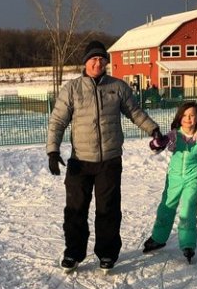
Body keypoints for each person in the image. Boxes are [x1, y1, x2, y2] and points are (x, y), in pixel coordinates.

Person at [46, 40, 166, 272]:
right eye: (93, 58)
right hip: (80, 161)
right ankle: (73, 252)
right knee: (75, 210)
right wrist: (53, 150)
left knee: (108, 209)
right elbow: (58, 121)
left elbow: (135, 112)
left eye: (102, 59)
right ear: (86, 62)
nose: (98, 62)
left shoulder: (118, 87)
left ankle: (107, 253)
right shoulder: (72, 89)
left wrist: (153, 129)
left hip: (109, 160)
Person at [142, 101, 197, 263]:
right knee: (166, 208)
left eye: (192, 116)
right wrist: (158, 142)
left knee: (188, 210)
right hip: (174, 179)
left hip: (193, 178)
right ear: (179, 118)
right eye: (184, 115)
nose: (188, 119)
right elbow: (155, 147)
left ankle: (188, 244)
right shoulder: (174, 135)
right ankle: (158, 238)